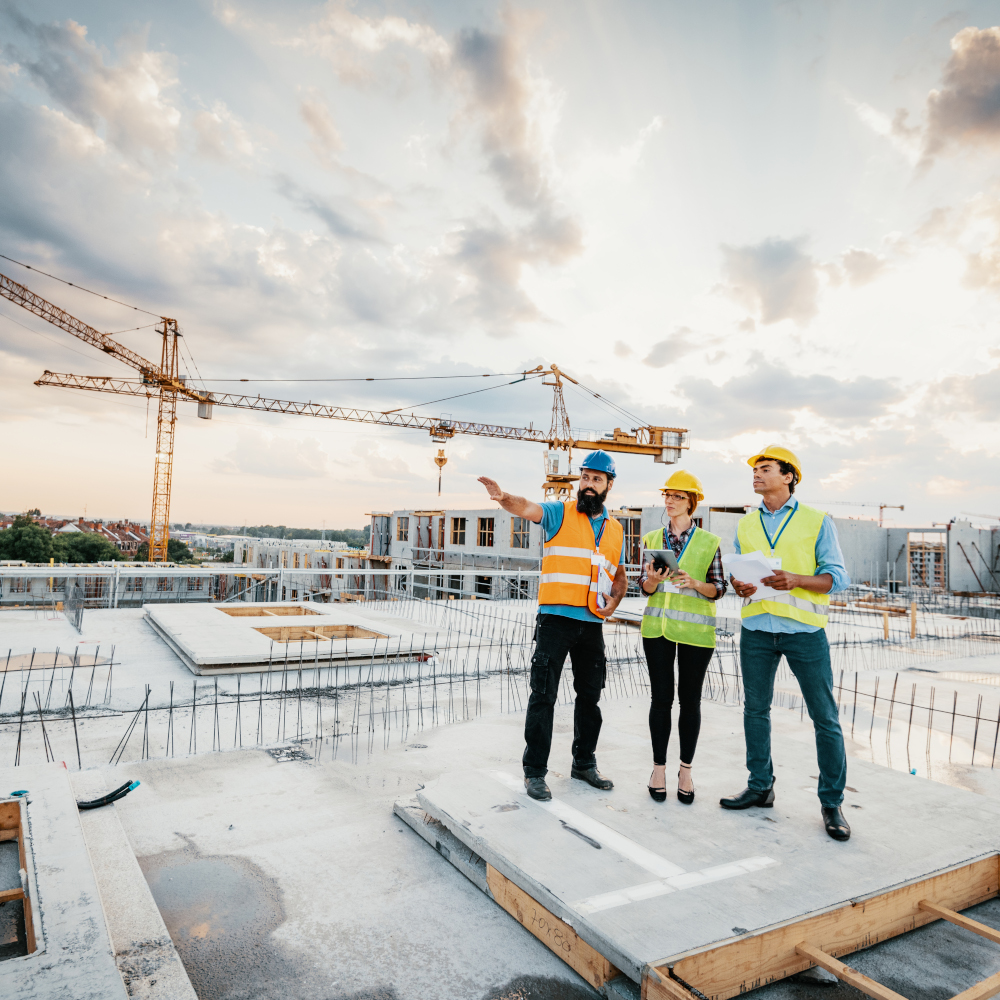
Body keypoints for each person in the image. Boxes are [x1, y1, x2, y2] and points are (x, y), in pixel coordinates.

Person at [478, 451, 627, 801]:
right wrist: (504, 499)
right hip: (555, 621)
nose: (589, 484)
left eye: (597, 479)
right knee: (543, 695)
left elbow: (617, 575)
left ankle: (584, 763)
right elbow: (527, 507)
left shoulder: (615, 529)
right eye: (585, 477)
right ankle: (535, 772)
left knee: (590, 697)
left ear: (608, 485)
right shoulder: (560, 512)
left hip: (592, 624)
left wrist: (615, 601)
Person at [721, 445, 852, 841]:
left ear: (789, 476)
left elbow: (837, 577)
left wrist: (796, 579)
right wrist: (738, 585)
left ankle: (831, 802)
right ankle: (760, 787)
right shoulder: (745, 523)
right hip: (758, 628)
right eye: (755, 470)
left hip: (804, 633)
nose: (757, 475)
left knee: (824, 718)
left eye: (765, 469)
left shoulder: (817, 520)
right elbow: (739, 573)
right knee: (755, 711)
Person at [639, 470, 726, 804]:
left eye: (678, 496)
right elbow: (643, 589)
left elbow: (718, 589)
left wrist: (696, 584)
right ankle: (658, 769)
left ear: (692, 502)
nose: (670, 501)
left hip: (696, 633)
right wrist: (651, 580)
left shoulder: (709, 542)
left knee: (690, 702)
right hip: (657, 630)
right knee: (661, 700)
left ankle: (685, 771)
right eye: (668, 495)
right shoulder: (651, 538)